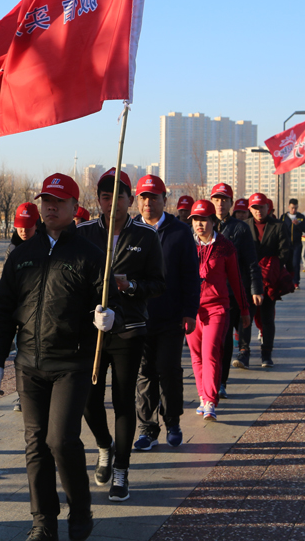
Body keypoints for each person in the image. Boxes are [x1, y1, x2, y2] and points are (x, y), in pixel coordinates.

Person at [0, 172, 129, 541]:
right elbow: (4, 308)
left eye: (58, 201)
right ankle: (43, 521)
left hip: (73, 362)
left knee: (61, 440)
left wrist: (109, 317)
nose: (49, 207)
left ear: (72, 206)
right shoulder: (21, 255)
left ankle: (80, 510)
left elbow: (112, 304)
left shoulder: (91, 255)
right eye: (45, 201)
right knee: (35, 442)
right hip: (29, 364)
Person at [77, 168, 166, 502]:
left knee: (124, 400)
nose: (111, 203)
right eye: (104, 196)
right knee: (88, 399)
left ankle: (122, 471)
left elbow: (159, 284)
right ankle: (104, 445)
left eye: (119, 197)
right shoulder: (84, 233)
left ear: (130, 200)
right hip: (94, 331)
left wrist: (130, 287)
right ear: (97, 200)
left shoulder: (145, 236)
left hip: (129, 330)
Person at [133, 174, 199, 451]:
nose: (148, 202)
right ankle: (148, 428)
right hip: (138, 316)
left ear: (164, 200)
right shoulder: (130, 229)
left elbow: (190, 276)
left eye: (154, 197)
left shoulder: (179, 231)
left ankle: (172, 421)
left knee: (169, 370)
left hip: (171, 316)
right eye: (143, 197)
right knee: (144, 372)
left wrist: (189, 311)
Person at [188, 200, 250, 422]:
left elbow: (236, 280)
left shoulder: (225, 246)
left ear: (214, 221)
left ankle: (211, 401)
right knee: (196, 356)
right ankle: (202, 397)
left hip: (217, 308)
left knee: (211, 352)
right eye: (196, 220)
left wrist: (244, 309)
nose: (200, 224)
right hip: (192, 309)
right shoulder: (186, 244)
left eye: (204, 220)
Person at [210, 183, 264, 378]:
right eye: (216, 199)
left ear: (231, 203)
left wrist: (256, 288)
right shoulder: (203, 225)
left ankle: (225, 377)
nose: (220, 204)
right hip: (209, 293)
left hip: (233, 292)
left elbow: (251, 261)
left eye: (224, 200)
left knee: (227, 337)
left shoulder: (240, 228)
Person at [244, 193, 290, 368]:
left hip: (270, 279)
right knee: (246, 316)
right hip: (249, 279)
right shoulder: (244, 226)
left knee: (267, 317)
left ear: (267, 208)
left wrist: (272, 265)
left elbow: (285, 250)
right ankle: (244, 352)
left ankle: (266, 354)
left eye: (261, 207)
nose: (258, 211)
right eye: (254, 208)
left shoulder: (278, 226)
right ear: (250, 209)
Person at [7, 201, 42, 413]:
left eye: (28, 226)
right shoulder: (12, 250)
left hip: (39, 312)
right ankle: (22, 395)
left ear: (37, 225)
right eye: (19, 225)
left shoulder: (44, 248)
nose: (23, 230)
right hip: (19, 312)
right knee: (20, 354)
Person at [281, 199, 305, 287]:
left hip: (297, 244)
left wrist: (298, 225)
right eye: (292, 208)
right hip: (286, 244)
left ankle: (296, 281)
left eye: (295, 208)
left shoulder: (301, 217)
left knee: (296, 263)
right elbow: (280, 229)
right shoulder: (284, 217)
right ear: (289, 207)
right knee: (288, 263)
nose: (294, 210)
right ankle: (288, 281)